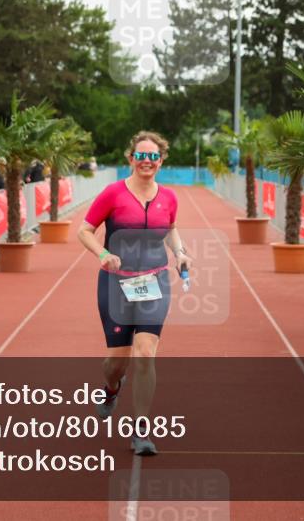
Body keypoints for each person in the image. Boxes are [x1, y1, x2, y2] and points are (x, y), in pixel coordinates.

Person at [77, 131, 192, 456]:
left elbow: (170, 229)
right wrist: (102, 254)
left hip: (154, 282)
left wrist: (180, 253)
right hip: (116, 284)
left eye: (153, 156)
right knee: (116, 362)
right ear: (131, 159)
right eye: (141, 156)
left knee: (145, 353)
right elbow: (84, 230)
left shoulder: (169, 197)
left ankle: (141, 429)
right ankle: (112, 389)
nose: (147, 161)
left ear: (161, 160)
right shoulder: (113, 193)